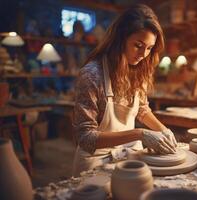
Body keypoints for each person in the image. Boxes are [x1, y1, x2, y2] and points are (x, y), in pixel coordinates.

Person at [72, 4, 177, 176]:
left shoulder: (139, 69)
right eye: (138, 45)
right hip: (96, 163)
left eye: (150, 48)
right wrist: (140, 134)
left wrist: (163, 130)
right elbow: (85, 138)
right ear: (120, 40)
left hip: (130, 157)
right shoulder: (92, 74)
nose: (144, 54)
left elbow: (142, 110)